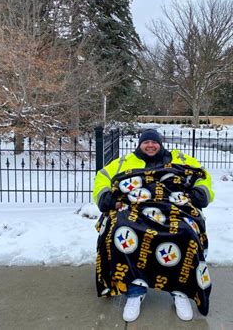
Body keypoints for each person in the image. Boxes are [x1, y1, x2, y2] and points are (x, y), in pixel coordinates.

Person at [93, 129, 214, 322]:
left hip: (172, 206)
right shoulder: (125, 162)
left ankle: (180, 291)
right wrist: (105, 197)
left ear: (161, 144)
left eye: (154, 142)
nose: (150, 145)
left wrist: (201, 191)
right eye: (146, 142)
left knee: (185, 232)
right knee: (121, 229)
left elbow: (202, 176)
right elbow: (102, 178)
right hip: (135, 207)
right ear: (139, 144)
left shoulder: (179, 158)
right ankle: (135, 291)